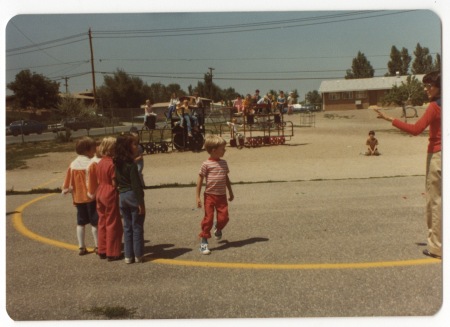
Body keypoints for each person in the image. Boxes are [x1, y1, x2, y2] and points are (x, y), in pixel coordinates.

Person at [374, 70, 441, 259]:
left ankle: (437, 248)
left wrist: (390, 119)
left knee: (435, 203)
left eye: (430, 85)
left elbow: (416, 129)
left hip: (438, 155)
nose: (426, 89)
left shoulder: (434, 107)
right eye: (425, 85)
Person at [196, 135, 234, 255]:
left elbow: (226, 178)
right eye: (223, 148)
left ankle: (218, 227)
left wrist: (231, 191)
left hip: (222, 196)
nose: (225, 150)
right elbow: (200, 179)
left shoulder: (223, 163)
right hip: (209, 196)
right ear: (214, 150)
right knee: (208, 219)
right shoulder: (206, 164)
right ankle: (204, 242)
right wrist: (197, 197)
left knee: (224, 218)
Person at [62, 137, 98, 256]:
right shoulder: (92, 163)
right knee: (95, 222)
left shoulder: (73, 164)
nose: (95, 149)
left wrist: (66, 188)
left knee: (80, 222)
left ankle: (81, 247)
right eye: (93, 148)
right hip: (91, 197)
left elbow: (68, 179)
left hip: (78, 198)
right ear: (87, 150)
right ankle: (98, 246)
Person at [114, 133, 146, 264]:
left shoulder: (117, 163)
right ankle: (138, 255)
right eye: (134, 144)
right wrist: (141, 203)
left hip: (122, 196)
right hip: (133, 195)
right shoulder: (131, 166)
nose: (137, 146)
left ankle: (128, 255)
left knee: (127, 227)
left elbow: (116, 180)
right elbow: (136, 185)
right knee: (137, 226)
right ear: (127, 147)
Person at [94, 137, 123, 261]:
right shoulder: (112, 164)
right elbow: (114, 182)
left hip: (100, 190)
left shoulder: (100, 162)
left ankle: (102, 249)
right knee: (113, 221)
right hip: (109, 191)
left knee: (102, 221)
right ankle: (113, 251)